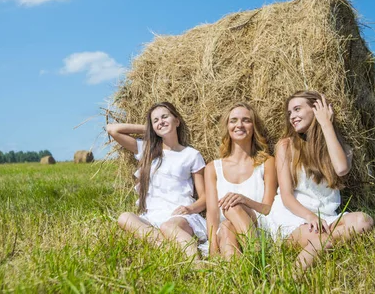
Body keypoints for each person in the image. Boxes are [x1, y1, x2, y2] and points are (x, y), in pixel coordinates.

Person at [264, 90, 374, 270]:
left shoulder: (340, 147)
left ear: (317, 109)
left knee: (364, 221)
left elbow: (341, 168)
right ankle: (290, 279)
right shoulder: (286, 146)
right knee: (323, 241)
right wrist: (310, 216)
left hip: (327, 218)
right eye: (290, 112)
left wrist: (325, 124)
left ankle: (321, 243)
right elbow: (286, 196)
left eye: (297, 109)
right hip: (294, 217)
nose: (292, 116)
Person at [106, 102, 208, 258]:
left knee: (169, 227)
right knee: (125, 218)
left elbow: (205, 197)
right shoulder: (147, 150)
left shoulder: (191, 155)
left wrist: (190, 209)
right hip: (152, 217)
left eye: (165, 117)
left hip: (179, 216)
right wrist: (150, 130)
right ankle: (169, 250)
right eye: (156, 120)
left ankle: (196, 264)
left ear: (177, 121)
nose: (161, 121)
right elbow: (112, 129)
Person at [205, 102, 277, 259]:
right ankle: (251, 262)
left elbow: (268, 209)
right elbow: (212, 214)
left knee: (232, 206)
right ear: (227, 127)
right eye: (233, 120)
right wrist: (212, 249)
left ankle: (255, 250)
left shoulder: (267, 163)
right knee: (226, 226)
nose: (239, 125)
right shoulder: (212, 168)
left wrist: (245, 201)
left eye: (246, 120)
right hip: (224, 233)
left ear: (253, 126)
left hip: (257, 228)